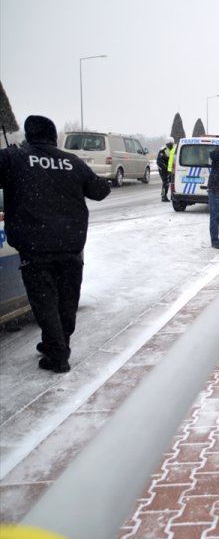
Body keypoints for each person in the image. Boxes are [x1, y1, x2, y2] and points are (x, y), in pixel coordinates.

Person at [0, 115, 111, 373]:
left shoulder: (14, 159)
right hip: (71, 245)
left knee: (45, 301)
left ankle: (58, 354)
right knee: (66, 301)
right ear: (53, 137)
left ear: (29, 135)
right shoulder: (71, 161)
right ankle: (58, 343)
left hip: (36, 247)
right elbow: (100, 190)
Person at [157, 137, 175, 201]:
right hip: (163, 169)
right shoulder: (163, 150)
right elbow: (159, 161)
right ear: (168, 143)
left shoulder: (172, 149)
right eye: (171, 143)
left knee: (172, 182)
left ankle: (173, 196)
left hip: (170, 168)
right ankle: (164, 196)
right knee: (166, 182)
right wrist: (165, 167)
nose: (172, 145)